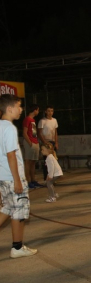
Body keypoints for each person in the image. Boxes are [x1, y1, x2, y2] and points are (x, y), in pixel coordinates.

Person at [0, 94, 38, 258]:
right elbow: (10, 156)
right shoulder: (9, 128)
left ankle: (17, 246)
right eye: (18, 106)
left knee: (7, 209)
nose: (21, 109)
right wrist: (17, 180)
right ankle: (17, 247)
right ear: (9, 109)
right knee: (19, 212)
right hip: (12, 176)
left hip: (3, 177)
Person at [22, 104, 42, 189]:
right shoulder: (27, 119)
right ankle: (28, 181)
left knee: (33, 162)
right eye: (38, 110)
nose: (38, 112)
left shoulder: (32, 120)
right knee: (28, 162)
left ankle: (33, 180)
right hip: (30, 143)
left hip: (34, 142)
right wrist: (30, 143)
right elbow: (24, 132)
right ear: (35, 110)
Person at [37, 105, 59, 182]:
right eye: (48, 111)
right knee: (47, 161)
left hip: (52, 142)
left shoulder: (54, 120)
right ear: (45, 111)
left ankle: (53, 177)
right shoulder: (42, 121)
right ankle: (46, 178)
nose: (50, 113)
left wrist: (56, 142)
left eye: (51, 111)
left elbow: (55, 132)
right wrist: (44, 142)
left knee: (54, 160)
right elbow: (39, 133)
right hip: (46, 142)